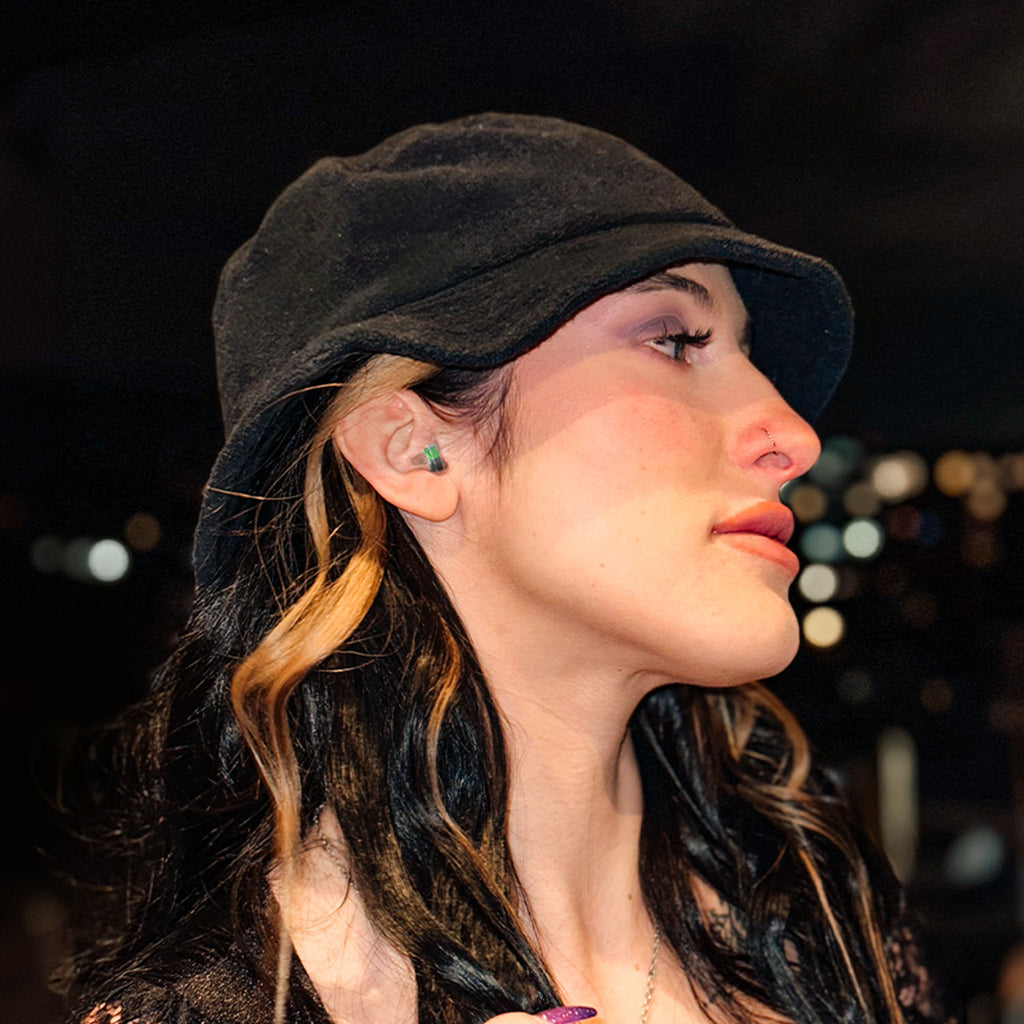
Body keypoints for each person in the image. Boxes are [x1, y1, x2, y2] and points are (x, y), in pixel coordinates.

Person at [64, 113, 951, 1024]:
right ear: (413, 450)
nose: (795, 437)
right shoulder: (231, 1007)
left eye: (747, 353)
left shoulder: (824, 929)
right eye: (676, 340)